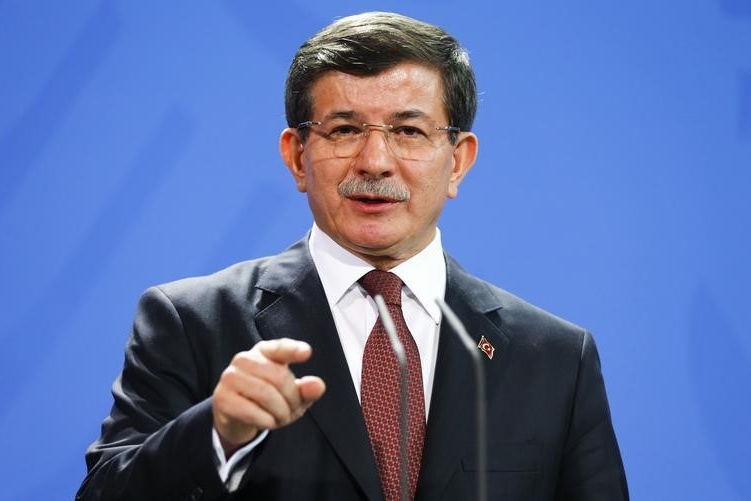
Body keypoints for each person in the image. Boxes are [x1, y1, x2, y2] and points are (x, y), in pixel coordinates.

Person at [77, 11, 628, 501]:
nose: (375, 161)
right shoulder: (192, 322)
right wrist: (216, 433)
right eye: (344, 130)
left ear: (458, 161)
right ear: (297, 157)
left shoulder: (556, 359)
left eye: (408, 130)